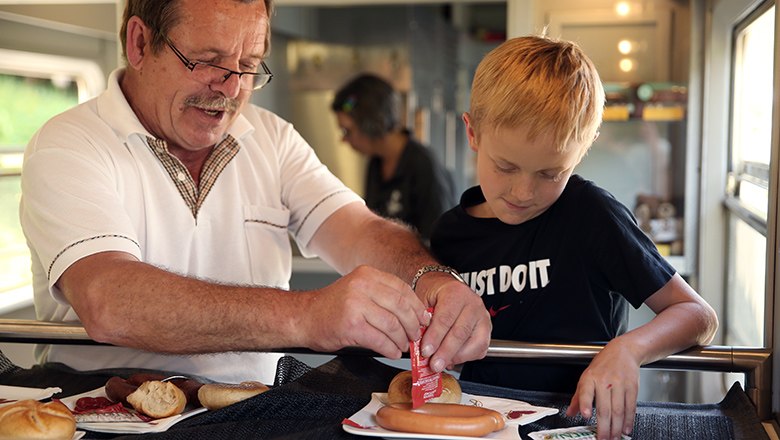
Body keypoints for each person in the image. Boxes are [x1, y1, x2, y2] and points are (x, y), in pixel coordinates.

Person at [19, 0, 490, 386]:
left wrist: (429, 278)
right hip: (106, 417)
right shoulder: (70, 143)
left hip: (253, 416)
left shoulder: (271, 137)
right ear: (140, 43)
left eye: (248, 66)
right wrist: (308, 316)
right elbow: (110, 300)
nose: (231, 88)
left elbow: (357, 228)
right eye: (207, 61)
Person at [429, 36, 718, 440]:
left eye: (550, 173)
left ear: (581, 153)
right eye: (506, 166)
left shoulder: (593, 216)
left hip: (576, 423)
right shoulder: (448, 235)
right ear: (473, 133)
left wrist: (628, 350)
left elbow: (698, 316)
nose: (523, 192)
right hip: (479, 422)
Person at [331, 74, 455, 241]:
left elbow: (439, 240)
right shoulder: (375, 164)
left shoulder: (422, 164)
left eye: (347, 131)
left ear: (370, 123)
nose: (344, 140)